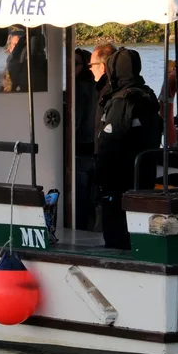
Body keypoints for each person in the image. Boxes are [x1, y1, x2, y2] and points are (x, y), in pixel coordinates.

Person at [94, 47, 162, 250]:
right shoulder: (146, 96)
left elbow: (109, 142)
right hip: (144, 174)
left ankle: (118, 258)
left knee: (116, 233)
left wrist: (99, 176)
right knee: (135, 226)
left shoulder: (122, 101)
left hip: (119, 178)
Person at [75, 48, 97, 230]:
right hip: (93, 151)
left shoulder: (77, 90)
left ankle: (80, 227)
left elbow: (75, 122)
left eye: (75, 64)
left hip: (81, 150)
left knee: (81, 195)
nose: (71, 68)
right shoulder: (96, 87)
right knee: (89, 195)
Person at [89, 42, 118, 152]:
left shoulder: (106, 93)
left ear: (102, 67)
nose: (90, 69)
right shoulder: (120, 88)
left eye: (91, 65)